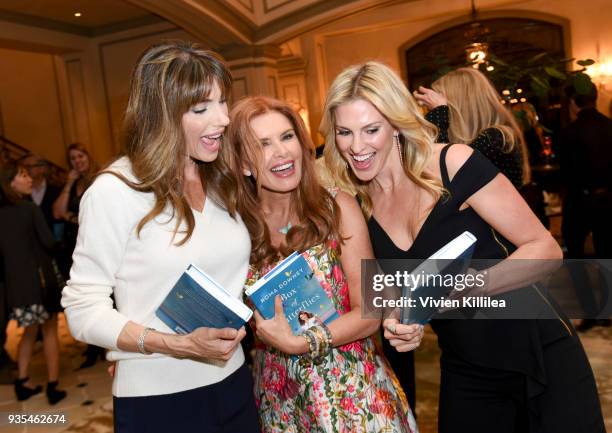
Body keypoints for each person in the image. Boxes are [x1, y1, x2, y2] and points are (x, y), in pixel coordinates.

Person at [321, 61, 605, 433]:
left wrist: (470, 287)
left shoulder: (451, 163)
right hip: (465, 364)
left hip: (539, 347)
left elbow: (544, 248)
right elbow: (389, 292)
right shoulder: (357, 202)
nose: (357, 147)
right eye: (345, 132)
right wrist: (401, 323)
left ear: (396, 124)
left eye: (371, 129)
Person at [61, 41, 259, 433]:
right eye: (201, 108)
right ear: (160, 115)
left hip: (235, 382)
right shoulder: (115, 191)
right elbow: (82, 309)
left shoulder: (220, 180)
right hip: (158, 399)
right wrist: (177, 344)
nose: (222, 118)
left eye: (223, 102)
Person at [226, 96, 418, 433]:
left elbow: (371, 308)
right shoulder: (233, 228)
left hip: (354, 391)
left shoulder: (336, 207)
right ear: (243, 163)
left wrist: (303, 342)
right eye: (263, 144)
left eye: (287, 138)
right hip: (278, 400)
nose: (282, 152)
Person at [0, 161, 66, 404]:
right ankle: (53, 386)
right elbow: (48, 242)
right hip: (40, 283)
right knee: (50, 332)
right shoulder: (29, 209)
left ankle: (23, 381)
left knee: (29, 332)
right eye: (23, 176)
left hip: (18, 289)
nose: (29, 180)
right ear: (10, 183)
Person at [413, 67, 530, 188]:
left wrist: (439, 113)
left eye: (445, 106)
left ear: (459, 105)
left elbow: (444, 174)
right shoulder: (481, 139)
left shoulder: (496, 136)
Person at [560, 82, 612, 331]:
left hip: (579, 200)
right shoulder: (610, 127)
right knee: (607, 256)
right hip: (608, 200)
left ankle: (590, 312)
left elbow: (566, 174)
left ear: (573, 103)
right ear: (596, 97)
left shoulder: (569, 133)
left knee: (576, 259)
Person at [52, 144, 104, 368]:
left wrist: (72, 217)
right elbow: (57, 212)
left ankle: (108, 343)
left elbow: (99, 214)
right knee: (85, 293)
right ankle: (93, 347)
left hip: (99, 243)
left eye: (80, 156)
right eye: (72, 158)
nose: (77, 161)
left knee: (104, 294)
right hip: (75, 247)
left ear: (88, 156)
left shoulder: (100, 177)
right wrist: (69, 183)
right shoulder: (73, 184)